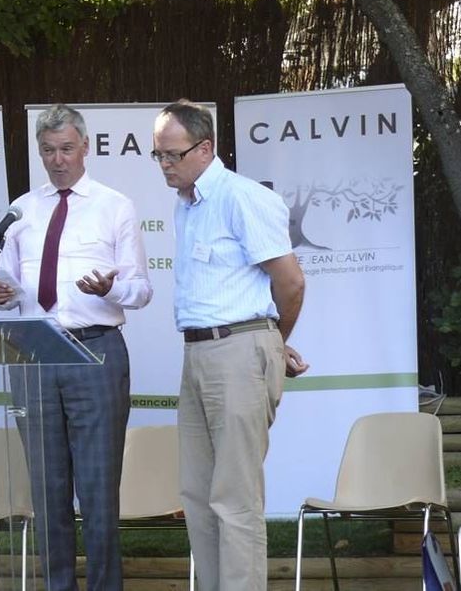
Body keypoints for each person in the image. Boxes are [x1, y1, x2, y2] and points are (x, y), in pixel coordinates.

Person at [0, 103, 153, 590]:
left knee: (98, 490)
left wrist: (111, 290)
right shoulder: (22, 209)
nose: (57, 160)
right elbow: (12, 284)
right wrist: (3, 291)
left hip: (96, 351)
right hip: (34, 354)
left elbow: (142, 290)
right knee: (47, 488)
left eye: (65, 149)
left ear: (85, 147)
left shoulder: (114, 206)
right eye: (47, 151)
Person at [152, 99, 308, 591]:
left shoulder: (241, 197)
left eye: (172, 154)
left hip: (239, 351)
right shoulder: (187, 206)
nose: (164, 165)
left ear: (205, 149)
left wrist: (270, 341)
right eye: (158, 155)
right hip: (197, 351)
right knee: (197, 495)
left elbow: (291, 283)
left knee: (235, 498)